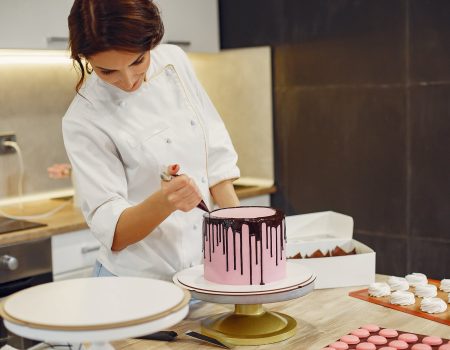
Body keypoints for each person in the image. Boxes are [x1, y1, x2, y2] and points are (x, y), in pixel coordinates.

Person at [63, 0, 240, 280]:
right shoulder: (83, 119)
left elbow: (214, 154)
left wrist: (240, 231)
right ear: (85, 59)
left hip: (203, 272)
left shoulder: (174, 61)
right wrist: (166, 200)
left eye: (137, 61)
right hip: (134, 284)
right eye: (107, 71)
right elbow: (115, 234)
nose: (129, 79)